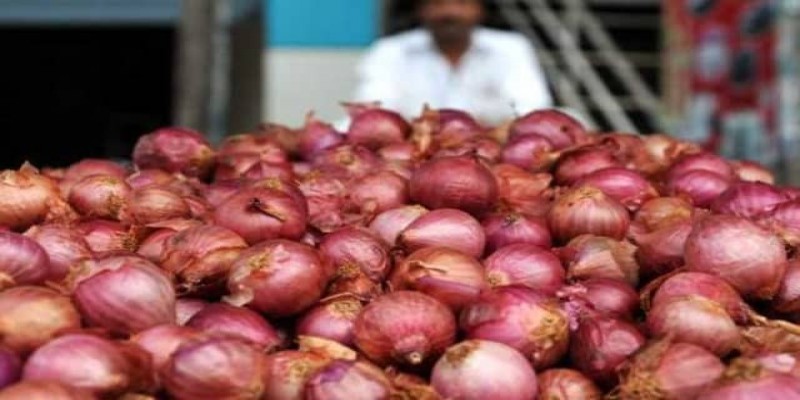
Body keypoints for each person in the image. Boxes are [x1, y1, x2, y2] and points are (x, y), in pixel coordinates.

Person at [352, 0, 552, 126]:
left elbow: (532, 107)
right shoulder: (390, 50)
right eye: (437, 3)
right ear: (421, 10)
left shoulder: (510, 47)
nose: (449, 12)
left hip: (493, 147)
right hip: (412, 148)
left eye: (461, 2)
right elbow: (372, 111)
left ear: (480, 9)